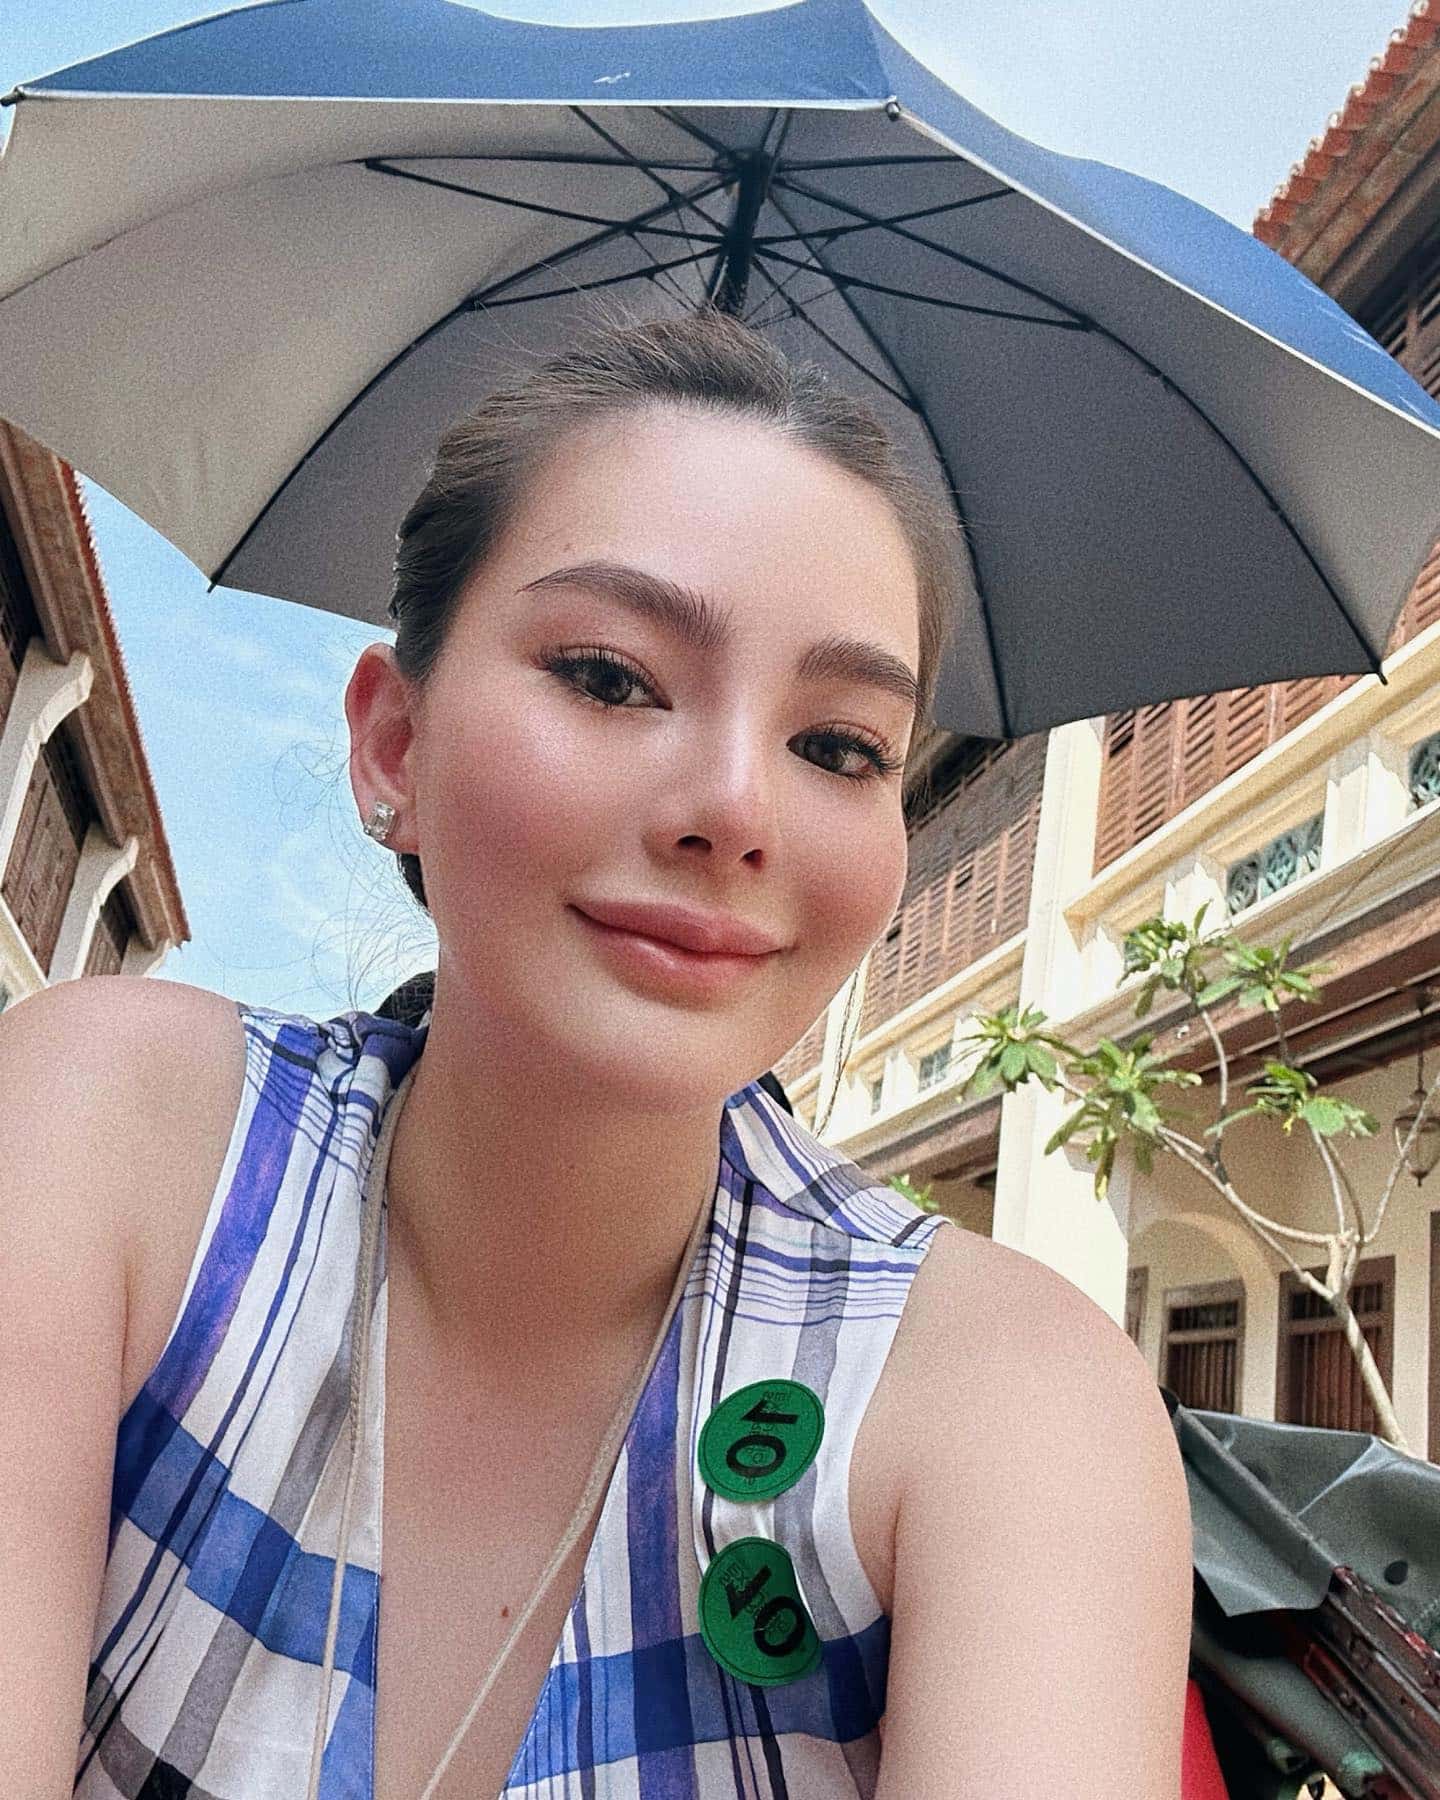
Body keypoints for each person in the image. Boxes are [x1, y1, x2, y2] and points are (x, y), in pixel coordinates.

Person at [0, 308, 1193, 1798]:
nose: (736, 808)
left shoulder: (1007, 1403)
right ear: (393, 746)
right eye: (612, 676)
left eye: (839, 746)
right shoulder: (118, 1133)